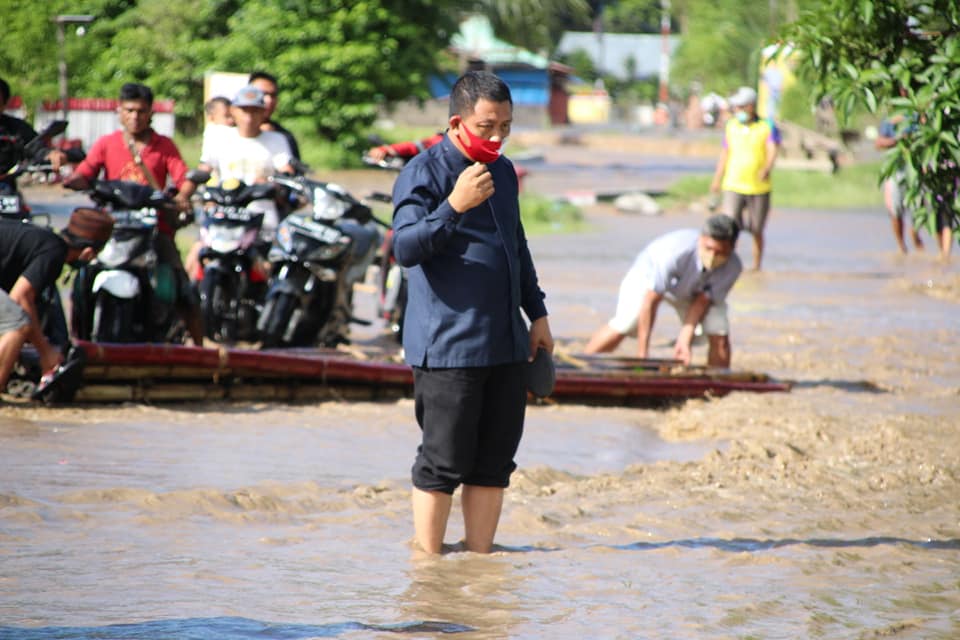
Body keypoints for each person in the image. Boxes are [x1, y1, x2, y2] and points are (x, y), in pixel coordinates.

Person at [391, 71, 553, 554]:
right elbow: (404, 247)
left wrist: (537, 313)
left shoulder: (503, 171)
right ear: (459, 121)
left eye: (506, 124)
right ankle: (429, 569)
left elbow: (515, 247)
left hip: (505, 341)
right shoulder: (423, 173)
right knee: (442, 461)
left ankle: (479, 565)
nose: (498, 135)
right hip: (449, 344)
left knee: (494, 462)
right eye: (487, 126)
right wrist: (454, 206)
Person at [64, 82, 203, 345]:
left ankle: (203, 351)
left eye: (141, 111)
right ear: (119, 111)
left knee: (182, 290)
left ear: (151, 113)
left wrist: (183, 196)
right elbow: (86, 172)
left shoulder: (165, 146)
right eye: (129, 110)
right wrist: (74, 180)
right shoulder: (106, 144)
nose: (135, 117)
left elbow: (183, 177)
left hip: (154, 229)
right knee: (80, 276)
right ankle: (74, 339)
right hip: (112, 229)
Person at [583, 214, 743, 368]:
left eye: (720, 252)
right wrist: (642, 354)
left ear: (733, 248)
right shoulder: (674, 253)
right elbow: (651, 300)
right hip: (646, 279)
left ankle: (719, 383)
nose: (713, 255)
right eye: (709, 248)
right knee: (627, 322)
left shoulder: (733, 268)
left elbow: (702, 302)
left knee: (719, 330)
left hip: (692, 291)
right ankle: (584, 363)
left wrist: (684, 340)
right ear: (701, 239)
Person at [0, 208, 114, 394]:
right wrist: (46, 353)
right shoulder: (54, 251)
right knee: (18, 324)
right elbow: (20, 298)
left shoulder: (42, 240)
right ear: (88, 252)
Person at [710, 86, 780, 271]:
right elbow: (725, 153)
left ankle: (756, 267)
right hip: (733, 184)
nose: (738, 111)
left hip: (759, 187)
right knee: (729, 227)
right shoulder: (731, 126)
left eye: (741, 107)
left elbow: (773, 150)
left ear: (751, 106)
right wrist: (717, 179)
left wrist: (766, 168)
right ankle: (727, 265)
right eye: (736, 107)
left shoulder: (767, 126)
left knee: (757, 229)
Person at [0, 77, 66, 192]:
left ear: (4, 103)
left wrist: (50, 154)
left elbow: (35, 146)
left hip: (5, 187)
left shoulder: (15, 128)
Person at [875, 113, 923, 254]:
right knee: (895, 210)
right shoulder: (890, 119)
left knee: (918, 209)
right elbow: (878, 143)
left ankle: (916, 237)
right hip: (896, 169)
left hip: (916, 169)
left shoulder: (918, 117)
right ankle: (901, 247)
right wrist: (897, 140)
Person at [248, 71, 301, 162]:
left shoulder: (284, 137)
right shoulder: (230, 132)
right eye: (263, 94)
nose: (269, 100)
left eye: (273, 95)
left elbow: (295, 173)